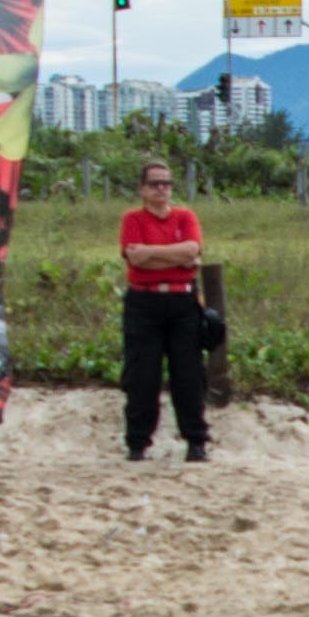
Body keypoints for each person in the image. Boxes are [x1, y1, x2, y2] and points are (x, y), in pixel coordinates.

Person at [117, 154, 209, 463]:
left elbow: (192, 250)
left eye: (167, 184)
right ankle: (137, 443)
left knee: (189, 374)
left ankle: (196, 441)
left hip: (182, 301)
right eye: (155, 184)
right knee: (143, 374)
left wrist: (152, 253)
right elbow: (136, 259)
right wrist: (177, 257)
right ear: (142, 188)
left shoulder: (185, 217)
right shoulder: (133, 219)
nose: (162, 190)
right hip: (144, 302)